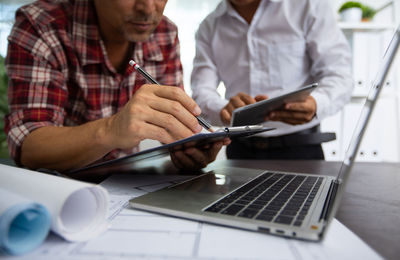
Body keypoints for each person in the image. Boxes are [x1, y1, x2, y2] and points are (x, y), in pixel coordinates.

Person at [4, 0, 228, 174]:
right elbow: (29, 147)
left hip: (130, 186)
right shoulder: (41, 25)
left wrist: (189, 147)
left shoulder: (164, 32)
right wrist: (112, 129)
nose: (148, 8)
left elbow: (172, 129)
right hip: (60, 192)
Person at [191, 0, 353, 160]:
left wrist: (316, 103)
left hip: (301, 149)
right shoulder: (209, 26)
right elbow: (201, 92)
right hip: (239, 150)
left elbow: (339, 75)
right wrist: (224, 110)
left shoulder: (308, 6)